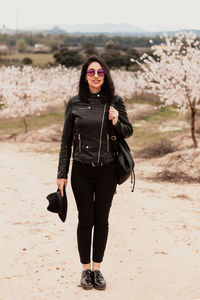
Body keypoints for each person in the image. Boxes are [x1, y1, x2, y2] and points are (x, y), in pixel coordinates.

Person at [56, 55, 133, 290]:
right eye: (91, 72)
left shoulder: (115, 101)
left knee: (102, 221)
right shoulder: (75, 103)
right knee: (85, 220)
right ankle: (84, 270)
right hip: (80, 170)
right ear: (84, 76)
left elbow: (128, 131)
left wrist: (116, 121)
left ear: (105, 75)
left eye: (100, 72)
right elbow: (66, 140)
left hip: (107, 171)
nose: (96, 76)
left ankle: (97, 269)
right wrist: (62, 174)